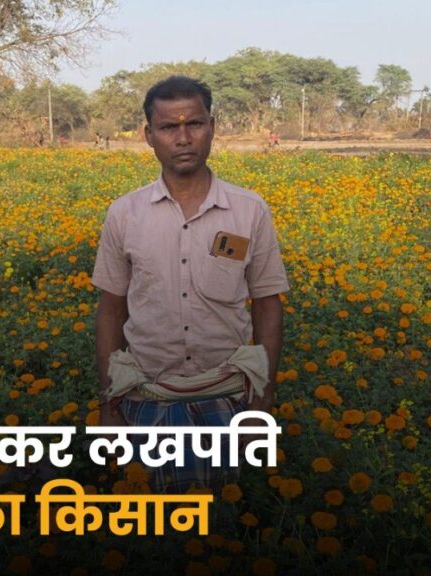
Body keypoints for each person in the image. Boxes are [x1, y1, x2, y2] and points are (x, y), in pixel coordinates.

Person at [91, 76, 290, 493]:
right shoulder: (124, 214)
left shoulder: (248, 211)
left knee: (221, 525)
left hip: (228, 394)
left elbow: (267, 304)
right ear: (149, 136)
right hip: (145, 394)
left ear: (212, 126)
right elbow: (111, 308)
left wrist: (261, 404)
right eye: (168, 127)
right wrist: (109, 407)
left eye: (194, 124)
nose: (183, 138)